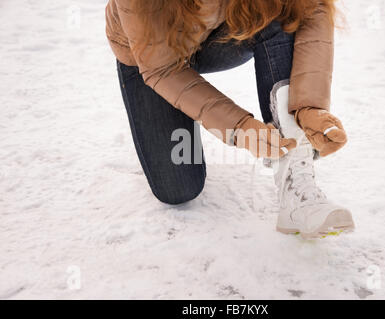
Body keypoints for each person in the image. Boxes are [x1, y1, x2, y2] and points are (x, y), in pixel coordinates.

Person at [105, 0, 355, 239]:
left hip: (219, 33)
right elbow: (162, 69)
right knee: (178, 190)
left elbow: (311, 7)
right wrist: (239, 127)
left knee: (283, 13)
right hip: (153, 54)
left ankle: (295, 186)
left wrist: (309, 107)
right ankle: (181, 106)